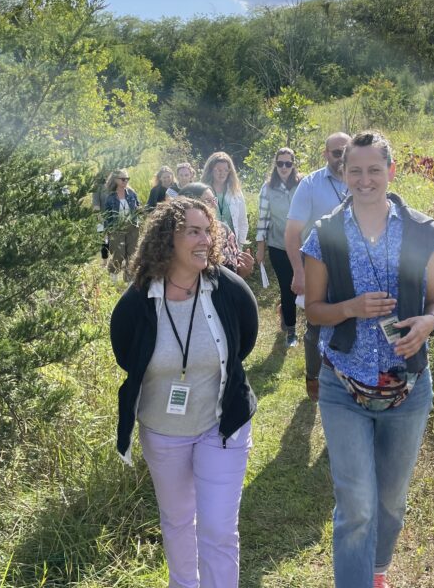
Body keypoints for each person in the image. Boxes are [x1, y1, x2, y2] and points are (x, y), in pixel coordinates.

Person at [301, 130, 434, 588]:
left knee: (390, 502)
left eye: (374, 170)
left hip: (408, 387)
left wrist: (429, 323)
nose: (364, 180)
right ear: (342, 173)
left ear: (391, 172)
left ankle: (377, 570)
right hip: (343, 384)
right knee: (358, 504)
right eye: (354, 170)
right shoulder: (324, 234)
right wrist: (351, 308)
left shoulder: (423, 233)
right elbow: (314, 310)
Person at [110, 197, 259, 588]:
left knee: (218, 529)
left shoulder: (228, 289)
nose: (204, 239)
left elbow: (245, 340)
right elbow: (128, 354)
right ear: (167, 240)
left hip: (220, 425)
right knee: (177, 522)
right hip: (162, 430)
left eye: (207, 230)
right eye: (193, 230)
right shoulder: (138, 302)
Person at [284, 131, 351, 400]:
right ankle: (314, 379)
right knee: (316, 324)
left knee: (352, 321)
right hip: (317, 266)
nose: (342, 157)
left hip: (354, 266)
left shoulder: (362, 179)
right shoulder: (310, 184)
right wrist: (298, 271)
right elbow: (292, 233)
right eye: (337, 152)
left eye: (347, 151)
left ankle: (349, 381)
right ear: (326, 154)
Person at [254, 147, 304, 347]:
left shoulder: (302, 185)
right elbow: (263, 220)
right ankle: (291, 331)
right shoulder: (267, 188)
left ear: (293, 165)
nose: (284, 167)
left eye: (288, 163)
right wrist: (260, 248)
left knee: (307, 286)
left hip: (303, 246)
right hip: (278, 246)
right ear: (275, 164)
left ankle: (308, 324)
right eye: (280, 163)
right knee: (287, 286)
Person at [179, 183, 255, 280]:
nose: (215, 205)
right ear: (191, 204)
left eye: (214, 200)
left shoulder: (225, 231)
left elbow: (235, 273)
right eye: (207, 201)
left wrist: (243, 270)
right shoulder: (179, 234)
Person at [102, 169, 142, 280]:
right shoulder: (110, 197)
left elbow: (138, 205)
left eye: (127, 179)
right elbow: (107, 216)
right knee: (118, 254)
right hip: (117, 228)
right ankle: (113, 278)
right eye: (123, 179)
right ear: (115, 180)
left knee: (132, 254)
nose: (125, 181)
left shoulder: (132, 193)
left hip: (133, 227)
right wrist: (106, 232)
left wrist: (139, 210)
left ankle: (129, 280)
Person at [201, 152, 247, 245]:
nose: (222, 173)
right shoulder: (202, 191)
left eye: (226, 170)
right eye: (218, 170)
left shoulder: (236, 192)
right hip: (210, 242)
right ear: (211, 170)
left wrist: (240, 243)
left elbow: (242, 220)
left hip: (231, 244)